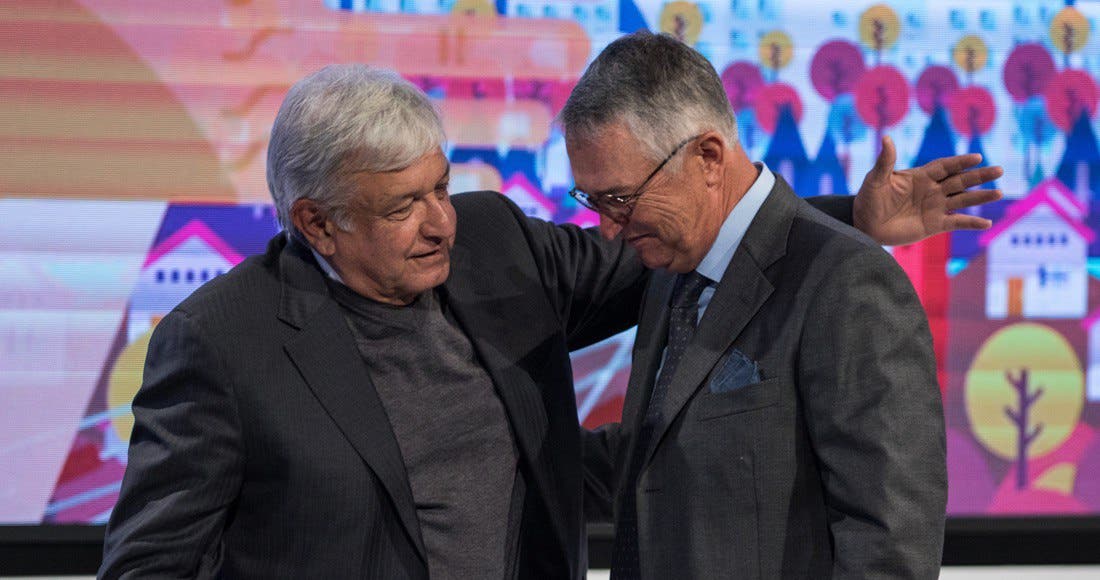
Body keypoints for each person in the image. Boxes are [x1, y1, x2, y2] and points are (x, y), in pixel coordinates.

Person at [100, 63, 998, 579]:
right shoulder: (222, 343)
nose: (441, 222)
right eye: (403, 207)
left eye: (441, 186)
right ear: (317, 222)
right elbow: (148, 568)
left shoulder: (494, 244)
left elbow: (674, 236)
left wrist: (844, 219)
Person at [567, 32, 1002, 579]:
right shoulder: (670, 273)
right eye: (593, 201)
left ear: (708, 158)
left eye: (621, 199)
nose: (608, 227)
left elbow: (889, 548)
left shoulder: (847, 282)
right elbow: (664, 459)